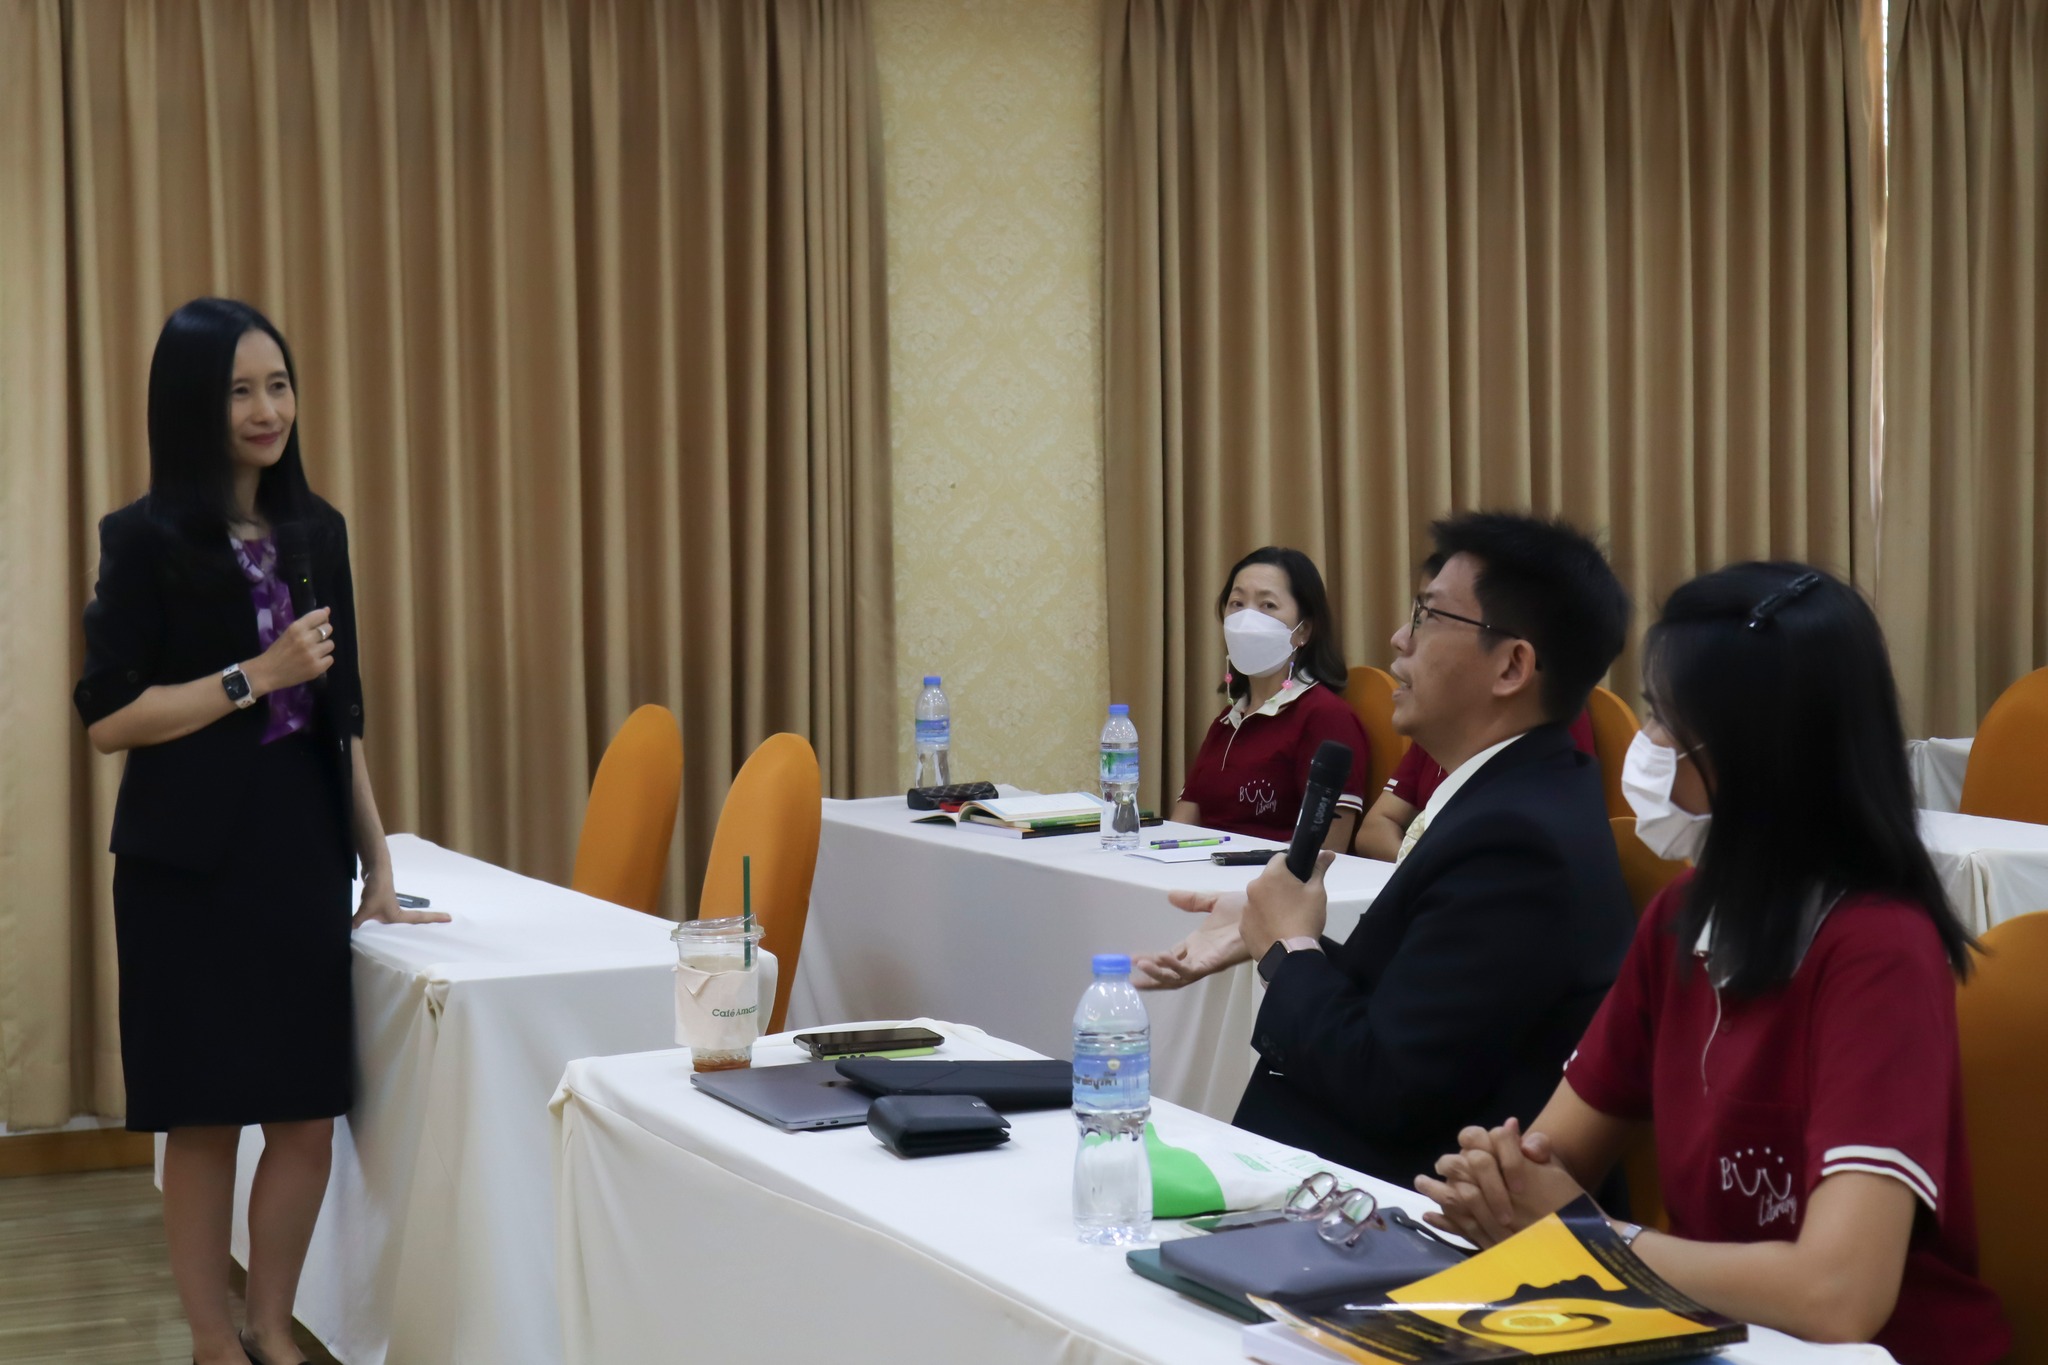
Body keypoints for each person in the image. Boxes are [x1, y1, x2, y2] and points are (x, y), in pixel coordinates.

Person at [1417, 564, 2009, 1363]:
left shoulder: (1880, 949)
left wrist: (1592, 1237)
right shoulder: (1682, 915)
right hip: (1705, 1330)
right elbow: (1550, 1158)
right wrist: (1497, 1184)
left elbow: (1838, 1295)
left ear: (1758, 756)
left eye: (1667, 722)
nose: (1646, 748)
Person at [74, 298, 449, 1365]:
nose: (265, 409)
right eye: (239, 390)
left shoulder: (317, 532)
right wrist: (254, 675)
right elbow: (109, 718)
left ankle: (271, 1325)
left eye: (277, 384)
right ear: (192, 404)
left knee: (303, 1111)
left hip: (296, 854)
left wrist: (378, 868)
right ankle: (212, 1340)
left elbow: (344, 717)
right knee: (203, 1120)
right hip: (185, 869)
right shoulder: (143, 539)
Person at [1138, 513, 1636, 1187]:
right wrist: (1267, 931)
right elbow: (1418, 1005)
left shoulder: (1520, 841)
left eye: (1428, 615)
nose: (1400, 638)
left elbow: (1389, 1085)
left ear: (1512, 665)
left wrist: (1289, 950)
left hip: (1407, 1207)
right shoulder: (1508, 796)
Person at [1169, 547, 1370, 848]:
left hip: (1267, 876)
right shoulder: (1227, 722)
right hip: (1200, 872)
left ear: (1304, 631)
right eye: (1237, 604)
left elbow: (1326, 849)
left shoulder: (1326, 717)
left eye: (1268, 605)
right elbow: (1178, 831)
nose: (1247, 619)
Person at [1354, 708, 1598, 861]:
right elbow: (1372, 831)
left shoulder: (1548, 721)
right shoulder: (1439, 724)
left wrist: (1427, 870)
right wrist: (1416, 867)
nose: (1400, 644)